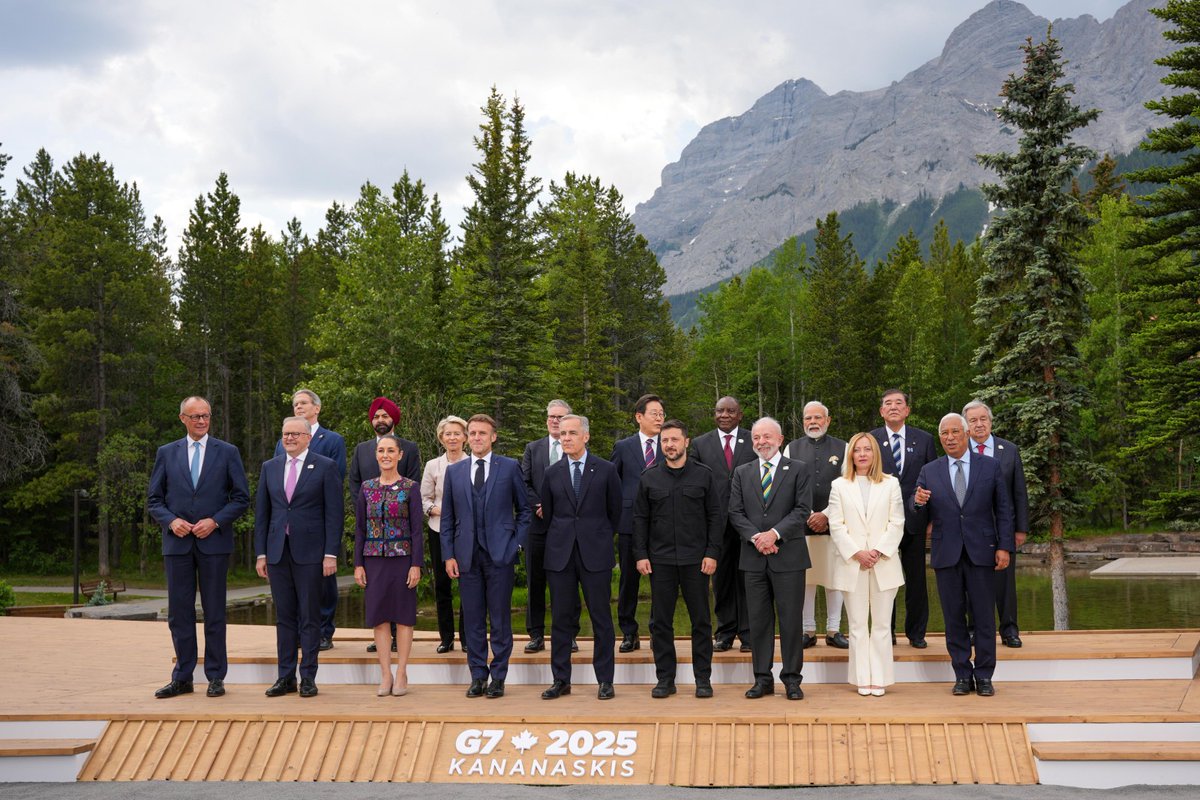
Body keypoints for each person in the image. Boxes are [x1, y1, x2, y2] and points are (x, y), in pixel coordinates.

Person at [147, 396, 250, 699]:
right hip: (177, 544)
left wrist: (216, 521)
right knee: (179, 614)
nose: (202, 421)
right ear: (183, 419)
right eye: (195, 417)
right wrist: (170, 521)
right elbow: (154, 500)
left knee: (215, 612)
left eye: (206, 416)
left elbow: (241, 498)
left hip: (213, 544)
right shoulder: (166, 453)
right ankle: (182, 677)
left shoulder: (227, 452)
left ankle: (216, 677)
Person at [912, 413, 1015, 697]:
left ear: (967, 433)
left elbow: (1004, 511)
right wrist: (917, 503)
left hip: (983, 552)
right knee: (953, 618)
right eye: (944, 433)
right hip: (947, 554)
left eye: (955, 432)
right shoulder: (930, 470)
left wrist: (1004, 547)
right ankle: (961, 674)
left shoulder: (990, 467)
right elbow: (916, 514)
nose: (949, 437)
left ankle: (984, 676)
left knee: (984, 617)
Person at [441, 414, 530, 699]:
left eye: (483, 433)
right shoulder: (455, 471)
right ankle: (478, 675)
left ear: (493, 437)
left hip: (500, 555)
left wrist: (516, 544)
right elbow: (447, 518)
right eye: (473, 433)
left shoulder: (509, 467)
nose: (477, 437)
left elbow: (525, 511)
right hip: (466, 556)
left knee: (501, 619)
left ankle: (499, 677)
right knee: (474, 620)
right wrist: (448, 555)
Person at [255, 416, 344, 698]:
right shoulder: (270, 468)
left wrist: (331, 553)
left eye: (295, 434)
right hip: (278, 552)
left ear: (307, 437)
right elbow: (262, 515)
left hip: (311, 554)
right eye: (285, 434)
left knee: (309, 617)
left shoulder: (325, 466)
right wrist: (261, 554)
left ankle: (308, 677)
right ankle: (285, 677)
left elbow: (334, 514)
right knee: (284, 618)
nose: (289, 438)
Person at [633, 419, 722, 699]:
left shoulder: (704, 475)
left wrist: (712, 552)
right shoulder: (649, 477)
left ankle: (703, 679)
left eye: (674, 440)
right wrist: (640, 555)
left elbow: (715, 518)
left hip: (697, 561)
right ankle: (665, 679)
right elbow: (640, 520)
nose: (669, 445)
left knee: (701, 622)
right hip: (660, 562)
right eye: (664, 441)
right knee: (660, 623)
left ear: (686, 442)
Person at [727, 417, 812, 700]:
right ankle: (762, 679)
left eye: (766, 437)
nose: (761, 442)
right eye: (756, 438)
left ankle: (792, 680)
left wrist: (774, 535)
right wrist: (757, 538)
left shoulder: (798, 470)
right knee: (759, 623)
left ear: (780, 439)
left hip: (788, 557)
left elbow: (802, 510)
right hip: (753, 559)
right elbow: (735, 513)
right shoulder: (742, 472)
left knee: (791, 622)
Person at [539, 414, 623, 700]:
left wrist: (596, 536)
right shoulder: (552, 473)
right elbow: (549, 516)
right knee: (561, 619)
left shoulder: (607, 470)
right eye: (562, 434)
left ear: (585, 436)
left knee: (601, 618)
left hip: (595, 554)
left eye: (572, 433)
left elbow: (615, 513)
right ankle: (561, 679)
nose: (566, 438)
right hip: (560, 555)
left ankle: (605, 680)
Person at [825, 433, 905, 697]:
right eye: (857, 450)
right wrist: (857, 552)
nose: (862, 454)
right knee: (858, 626)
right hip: (853, 563)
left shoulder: (891, 484)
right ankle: (862, 678)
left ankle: (879, 678)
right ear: (851, 455)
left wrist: (879, 551)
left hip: (884, 563)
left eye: (867, 449)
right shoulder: (839, 485)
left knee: (881, 625)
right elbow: (836, 525)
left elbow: (897, 522)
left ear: (875, 454)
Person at [274, 388, 346, 652]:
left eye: (303, 403)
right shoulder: (283, 440)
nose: (298, 407)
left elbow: (335, 480)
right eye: (295, 403)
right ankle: (295, 632)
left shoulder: (332, 440)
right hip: (288, 528)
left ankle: (325, 630)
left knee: (323, 582)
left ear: (317, 408)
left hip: (317, 523)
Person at [349, 397, 422, 655]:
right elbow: (355, 484)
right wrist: (368, 505)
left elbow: (414, 485)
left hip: (401, 533)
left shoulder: (410, 448)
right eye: (376, 416)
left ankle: (398, 648)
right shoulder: (361, 449)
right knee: (377, 602)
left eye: (385, 416)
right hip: (372, 532)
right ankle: (382, 642)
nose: (380, 420)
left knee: (402, 603)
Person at [354, 434, 423, 696]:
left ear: (399, 455)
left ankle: (402, 672)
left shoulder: (410, 487)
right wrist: (358, 564)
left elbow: (417, 530)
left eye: (390, 450)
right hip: (373, 560)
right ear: (376, 454)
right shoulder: (366, 487)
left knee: (404, 618)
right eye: (381, 450)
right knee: (379, 618)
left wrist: (416, 564)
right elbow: (360, 528)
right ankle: (385, 674)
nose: (385, 455)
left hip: (403, 558)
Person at [870, 389, 938, 648]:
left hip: (915, 520)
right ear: (882, 411)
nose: (894, 407)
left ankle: (917, 632)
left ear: (907, 410)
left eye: (899, 403)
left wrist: (932, 518)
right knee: (885, 581)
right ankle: (887, 631)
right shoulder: (871, 440)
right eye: (888, 403)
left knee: (916, 579)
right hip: (881, 523)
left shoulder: (925, 439)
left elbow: (935, 479)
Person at [690, 396, 756, 653]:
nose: (725, 415)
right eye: (720, 410)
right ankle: (726, 631)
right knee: (721, 580)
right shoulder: (700, 443)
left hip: (749, 522)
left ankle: (749, 632)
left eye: (731, 411)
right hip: (715, 523)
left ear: (740, 415)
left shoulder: (754, 439)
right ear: (714, 414)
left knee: (749, 578)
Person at [963, 399, 1030, 648]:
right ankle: (973, 630)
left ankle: (1009, 630)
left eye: (983, 419)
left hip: (1003, 529)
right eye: (973, 420)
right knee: (972, 583)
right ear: (966, 426)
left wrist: (1020, 528)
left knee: (1005, 584)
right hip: (970, 530)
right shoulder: (960, 451)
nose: (979, 424)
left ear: (990, 421)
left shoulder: (1008, 450)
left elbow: (1019, 492)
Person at [785, 401, 850, 650]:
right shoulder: (791, 448)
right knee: (806, 580)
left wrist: (826, 515)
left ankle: (834, 630)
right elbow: (788, 486)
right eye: (808, 418)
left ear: (828, 420)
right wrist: (810, 514)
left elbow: (847, 486)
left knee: (835, 579)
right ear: (803, 422)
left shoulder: (843, 448)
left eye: (817, 418)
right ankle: (808, 630)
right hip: (802, 525)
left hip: (835, 525)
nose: (813, 422)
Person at [520, 399, 577, 654]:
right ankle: (536, 634)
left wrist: (557, 508)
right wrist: (541, 506)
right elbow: (524, 483)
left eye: (561, 417)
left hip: (567, 527)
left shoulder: (576, 448)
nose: (555, 421)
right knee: (535, 581)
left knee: (566, 582)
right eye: (552, 417)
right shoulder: (533, 448)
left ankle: (569, 634)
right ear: (546, 420)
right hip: (538, 525)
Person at [609, 393, 664, 652]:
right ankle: (629, 632)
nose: (659, 417)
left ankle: (658, 631)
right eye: (654, 413)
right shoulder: (623, 447)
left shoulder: (670, 444)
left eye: (662, 413)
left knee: (661, 582)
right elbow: (612, 484)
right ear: (639, 417)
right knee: (628, 581)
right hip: (630, 524)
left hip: (663, 526)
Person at [420, 415, 469, 653]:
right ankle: (446, 638)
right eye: (448, 434)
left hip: (466, 532)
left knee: (468, 585)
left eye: (457, 433)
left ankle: (468, 638)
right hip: (439, 529)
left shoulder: (473, 463)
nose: (452, 438)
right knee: (442, 586)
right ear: (441, 438)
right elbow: (424, 499)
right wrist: (438, 510)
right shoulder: (433, 466)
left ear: (465, 438)